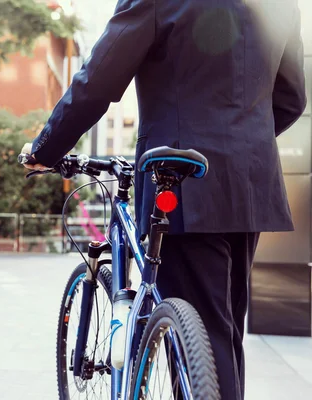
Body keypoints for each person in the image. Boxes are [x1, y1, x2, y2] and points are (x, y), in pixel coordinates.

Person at [21, 1, 307, 399]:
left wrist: (45, 149)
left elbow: (98, 81)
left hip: (180, 178)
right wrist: (238, 144)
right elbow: (292, 99)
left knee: (202, 335)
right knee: (222, 330)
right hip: (249, 181)